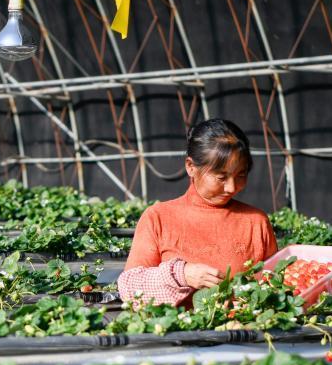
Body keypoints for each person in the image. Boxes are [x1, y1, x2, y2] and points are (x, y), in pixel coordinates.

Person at [118, 118, 278, 307]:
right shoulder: (158, 217)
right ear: (191, 167)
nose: (232, 187)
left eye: (241, 175)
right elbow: (128, 287)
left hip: (243, 332)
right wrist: (181, 274)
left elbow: (275, 283)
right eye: (221, 177)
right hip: (176, 334)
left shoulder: (255, 221)